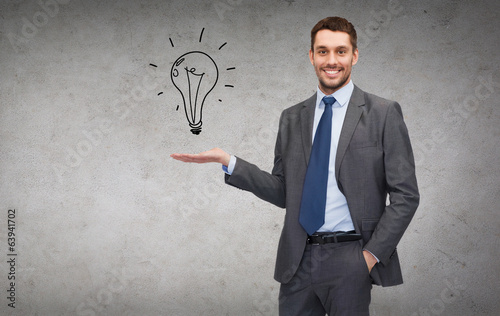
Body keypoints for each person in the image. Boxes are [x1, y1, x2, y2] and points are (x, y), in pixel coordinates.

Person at [171, 16, 419, 316]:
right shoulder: (292, 117)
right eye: (323, 51)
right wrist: (229, 162)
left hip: (351, 258)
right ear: (311, 55)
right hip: (297, 260)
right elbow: (285, 192)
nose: (332, 60)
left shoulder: (383, 113)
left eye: (341, 51)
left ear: (355, 55)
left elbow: (406, 196)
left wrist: (369, 256)